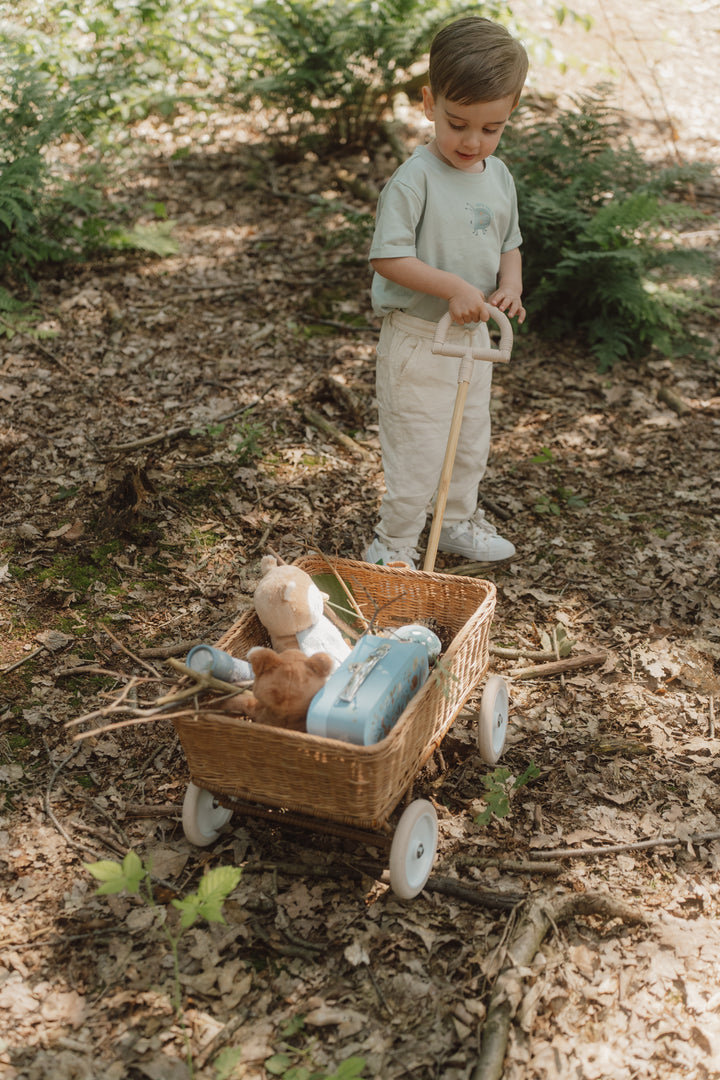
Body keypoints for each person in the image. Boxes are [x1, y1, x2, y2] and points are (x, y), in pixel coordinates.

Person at [364, 16, 528, 569]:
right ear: (429, 103)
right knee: (418, 447)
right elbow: (388, 257)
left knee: (468, 439)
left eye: (491, 128)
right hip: (417, 338)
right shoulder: (416, 179)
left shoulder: (498, 175)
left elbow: (510, 240)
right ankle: (396, 541)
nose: (473, 141)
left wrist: (509, 284)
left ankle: (457, 521)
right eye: (458, 124)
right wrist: (454, 286)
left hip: (473, 337)